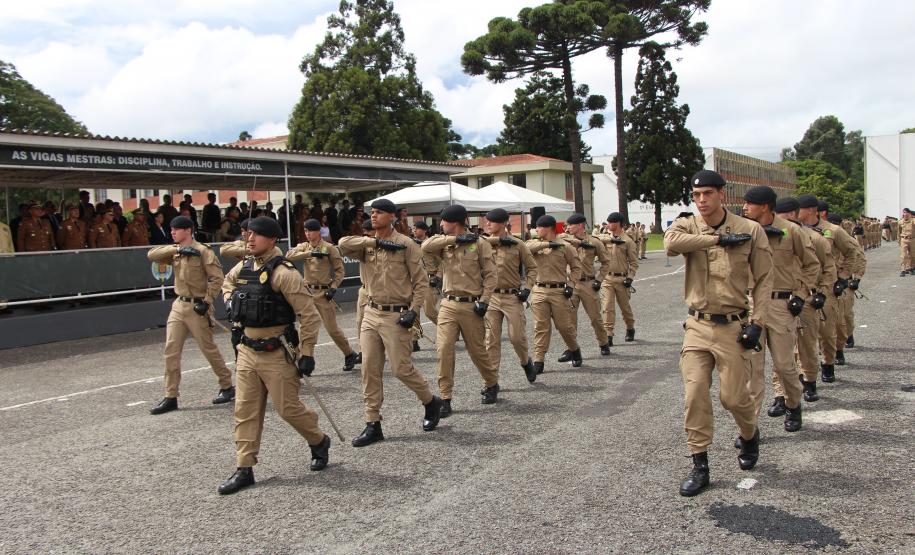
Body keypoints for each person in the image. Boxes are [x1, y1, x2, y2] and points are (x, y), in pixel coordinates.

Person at [664, 169, 772, 497]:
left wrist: (758, 322)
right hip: (697, 325)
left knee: (734, 398)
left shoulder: (749, 229)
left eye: (707, 194)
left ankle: (749, 434)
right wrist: (717, 240)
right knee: (694, 392)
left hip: (733, 326)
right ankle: (700, 464)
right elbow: (671, 244)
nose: (701, 201)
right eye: (696, 195)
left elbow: (764, 279)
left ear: (722, 194)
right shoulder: (687, 225)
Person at [216, 216, 330, 495]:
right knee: (245, 410)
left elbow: (309, 315)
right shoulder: (244, 267)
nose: (250, 239)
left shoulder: (284, 273)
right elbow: (226, 284)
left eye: (256, 235)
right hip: (246, 350)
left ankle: (318, 439)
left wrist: (307, 353)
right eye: (248, 234)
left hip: (276, 351)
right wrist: (231, 302)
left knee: (288, 409)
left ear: (272, 239)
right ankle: (244, 467)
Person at [338, 199, 442, 447]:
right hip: (371, 313)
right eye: (372, 212)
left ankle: (430, 401)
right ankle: (372, 423)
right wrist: (373, 242)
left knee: (400, 369)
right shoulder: (367, 245)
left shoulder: (406, 244)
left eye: (379, 213)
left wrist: (414, 311)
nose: (373, 216)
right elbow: (342, 244)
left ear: (392, 217)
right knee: (369, 369)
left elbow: (420, 282)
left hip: (396, 315)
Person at [742, 187, 818, 432]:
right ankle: (750, 428)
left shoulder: (792, 231)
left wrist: (801, 295)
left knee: (785, 365)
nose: (744, 207)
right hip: (751, 304)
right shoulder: (744, 230)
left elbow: (812, 265)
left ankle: (793, 404)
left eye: (750, 203)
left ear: (765, 206)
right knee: (752, 369)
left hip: (780, 304)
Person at [146, 216, 235, 415]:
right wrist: (176, 250)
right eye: (171, 229)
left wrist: (207, 301)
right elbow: (151, 255)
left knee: (208, 348)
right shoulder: (175, 251)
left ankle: (227, 385)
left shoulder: (203, 251)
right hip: (179, 304)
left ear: (188, 230)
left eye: (176, 229)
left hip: (197, 306)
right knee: (171, 350)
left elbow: (217, 278)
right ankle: (171, 396)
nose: (172, 232)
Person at [422, 204, 499, 412]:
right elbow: (425, 247)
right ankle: (445, 398)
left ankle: (491, 383)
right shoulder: (444, 243)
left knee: (477, 352)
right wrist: (455, 239)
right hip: (448, 304)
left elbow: (491, 275)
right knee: (444, 349)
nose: (441, 224)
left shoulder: (480, 243)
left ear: (454, 222)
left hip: (472, 305)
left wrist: (485, 301)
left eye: (443, 221)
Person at [773, 197, 835, 405]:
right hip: (781, 300)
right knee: (781, 350)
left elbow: (828, 268)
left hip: (807, 299)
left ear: (792, 214)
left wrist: (822, 293)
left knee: (807, 345)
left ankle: (809, 381)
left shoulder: (815, 239)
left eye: (780, 215)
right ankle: (780, 393)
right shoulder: (772, 235)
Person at [287, 218, 359, 372]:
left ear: (318, 231)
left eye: (310, 231)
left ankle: (349, 353)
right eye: (305, 231)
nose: (308, 234)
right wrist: (310, 253)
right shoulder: (303, 246)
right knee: (306, 327)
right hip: (307, 292)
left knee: (332, 329)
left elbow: (340, 270)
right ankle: (306, 360)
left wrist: (333, 288)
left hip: (323, 293)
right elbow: (289, 256)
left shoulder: (329, 248)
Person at [483, 208, 538, 383]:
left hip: (512, 297)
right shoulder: (483, 243)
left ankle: (525, 361)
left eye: (491, 221)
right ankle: (492, 382)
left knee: (516, 338)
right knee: (491, 340)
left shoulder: (517, 244)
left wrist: (527, 288)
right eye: (487, 220)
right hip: (491, 297)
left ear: (503, 223)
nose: (487, 224)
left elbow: (532, 268)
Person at [525, 215, 583, 374]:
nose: (536, 229)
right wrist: (548, 244)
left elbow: (576, 268)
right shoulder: (534, 244)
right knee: (540, 327)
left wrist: (571, 285)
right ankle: (539, 360)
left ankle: (574, 349)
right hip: (539, 290)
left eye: (539, 227)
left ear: (549, 228)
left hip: (559, 291)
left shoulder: (565, 246)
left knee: (564, 326)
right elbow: (526, 247)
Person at [559, 213, 612, 357]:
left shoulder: (594, 242)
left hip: (588, 283)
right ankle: (571, 349)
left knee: (595, 317)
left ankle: (603, 343)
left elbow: (606, 262)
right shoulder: (565, 240)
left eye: (571, 225)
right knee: (570, 319)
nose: (568, 227)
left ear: (580, 225)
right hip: (571, 284)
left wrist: (599, 280)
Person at [597, 212, 639, 345]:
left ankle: (630, 327)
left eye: (611, 222)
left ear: (618, 223)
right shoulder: (605, 238)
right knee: (607, 307)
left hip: (622, 279)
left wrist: (630, 278)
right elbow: (595, 239)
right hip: (608, 278)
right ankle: (608, 334)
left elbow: (634, 263)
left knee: (625, 307)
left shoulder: (628, 241)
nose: (608, 225)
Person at [411, 221, 440, 351]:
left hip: (429, 281)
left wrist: (438, 276)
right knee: (414, 312)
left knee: (430, 312)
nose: (414, 231)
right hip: (415, 281)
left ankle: (448, 330)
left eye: (416, 228)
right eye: (413, 228)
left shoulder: (432, 244)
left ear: (424, 230)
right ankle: (414, 340)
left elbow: (443, 262)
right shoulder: (411, 244)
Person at [899, 208, 913, 276]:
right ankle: (903, 270)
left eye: (907, 212)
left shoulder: (913, 221)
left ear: (910, 214)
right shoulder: (900, 222)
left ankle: (911, 268)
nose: (905, 214)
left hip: (912, 240)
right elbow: (899, 232)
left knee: (912, 255)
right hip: (904, 240)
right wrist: (899, 241)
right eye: (904, 212)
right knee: (903, 255)